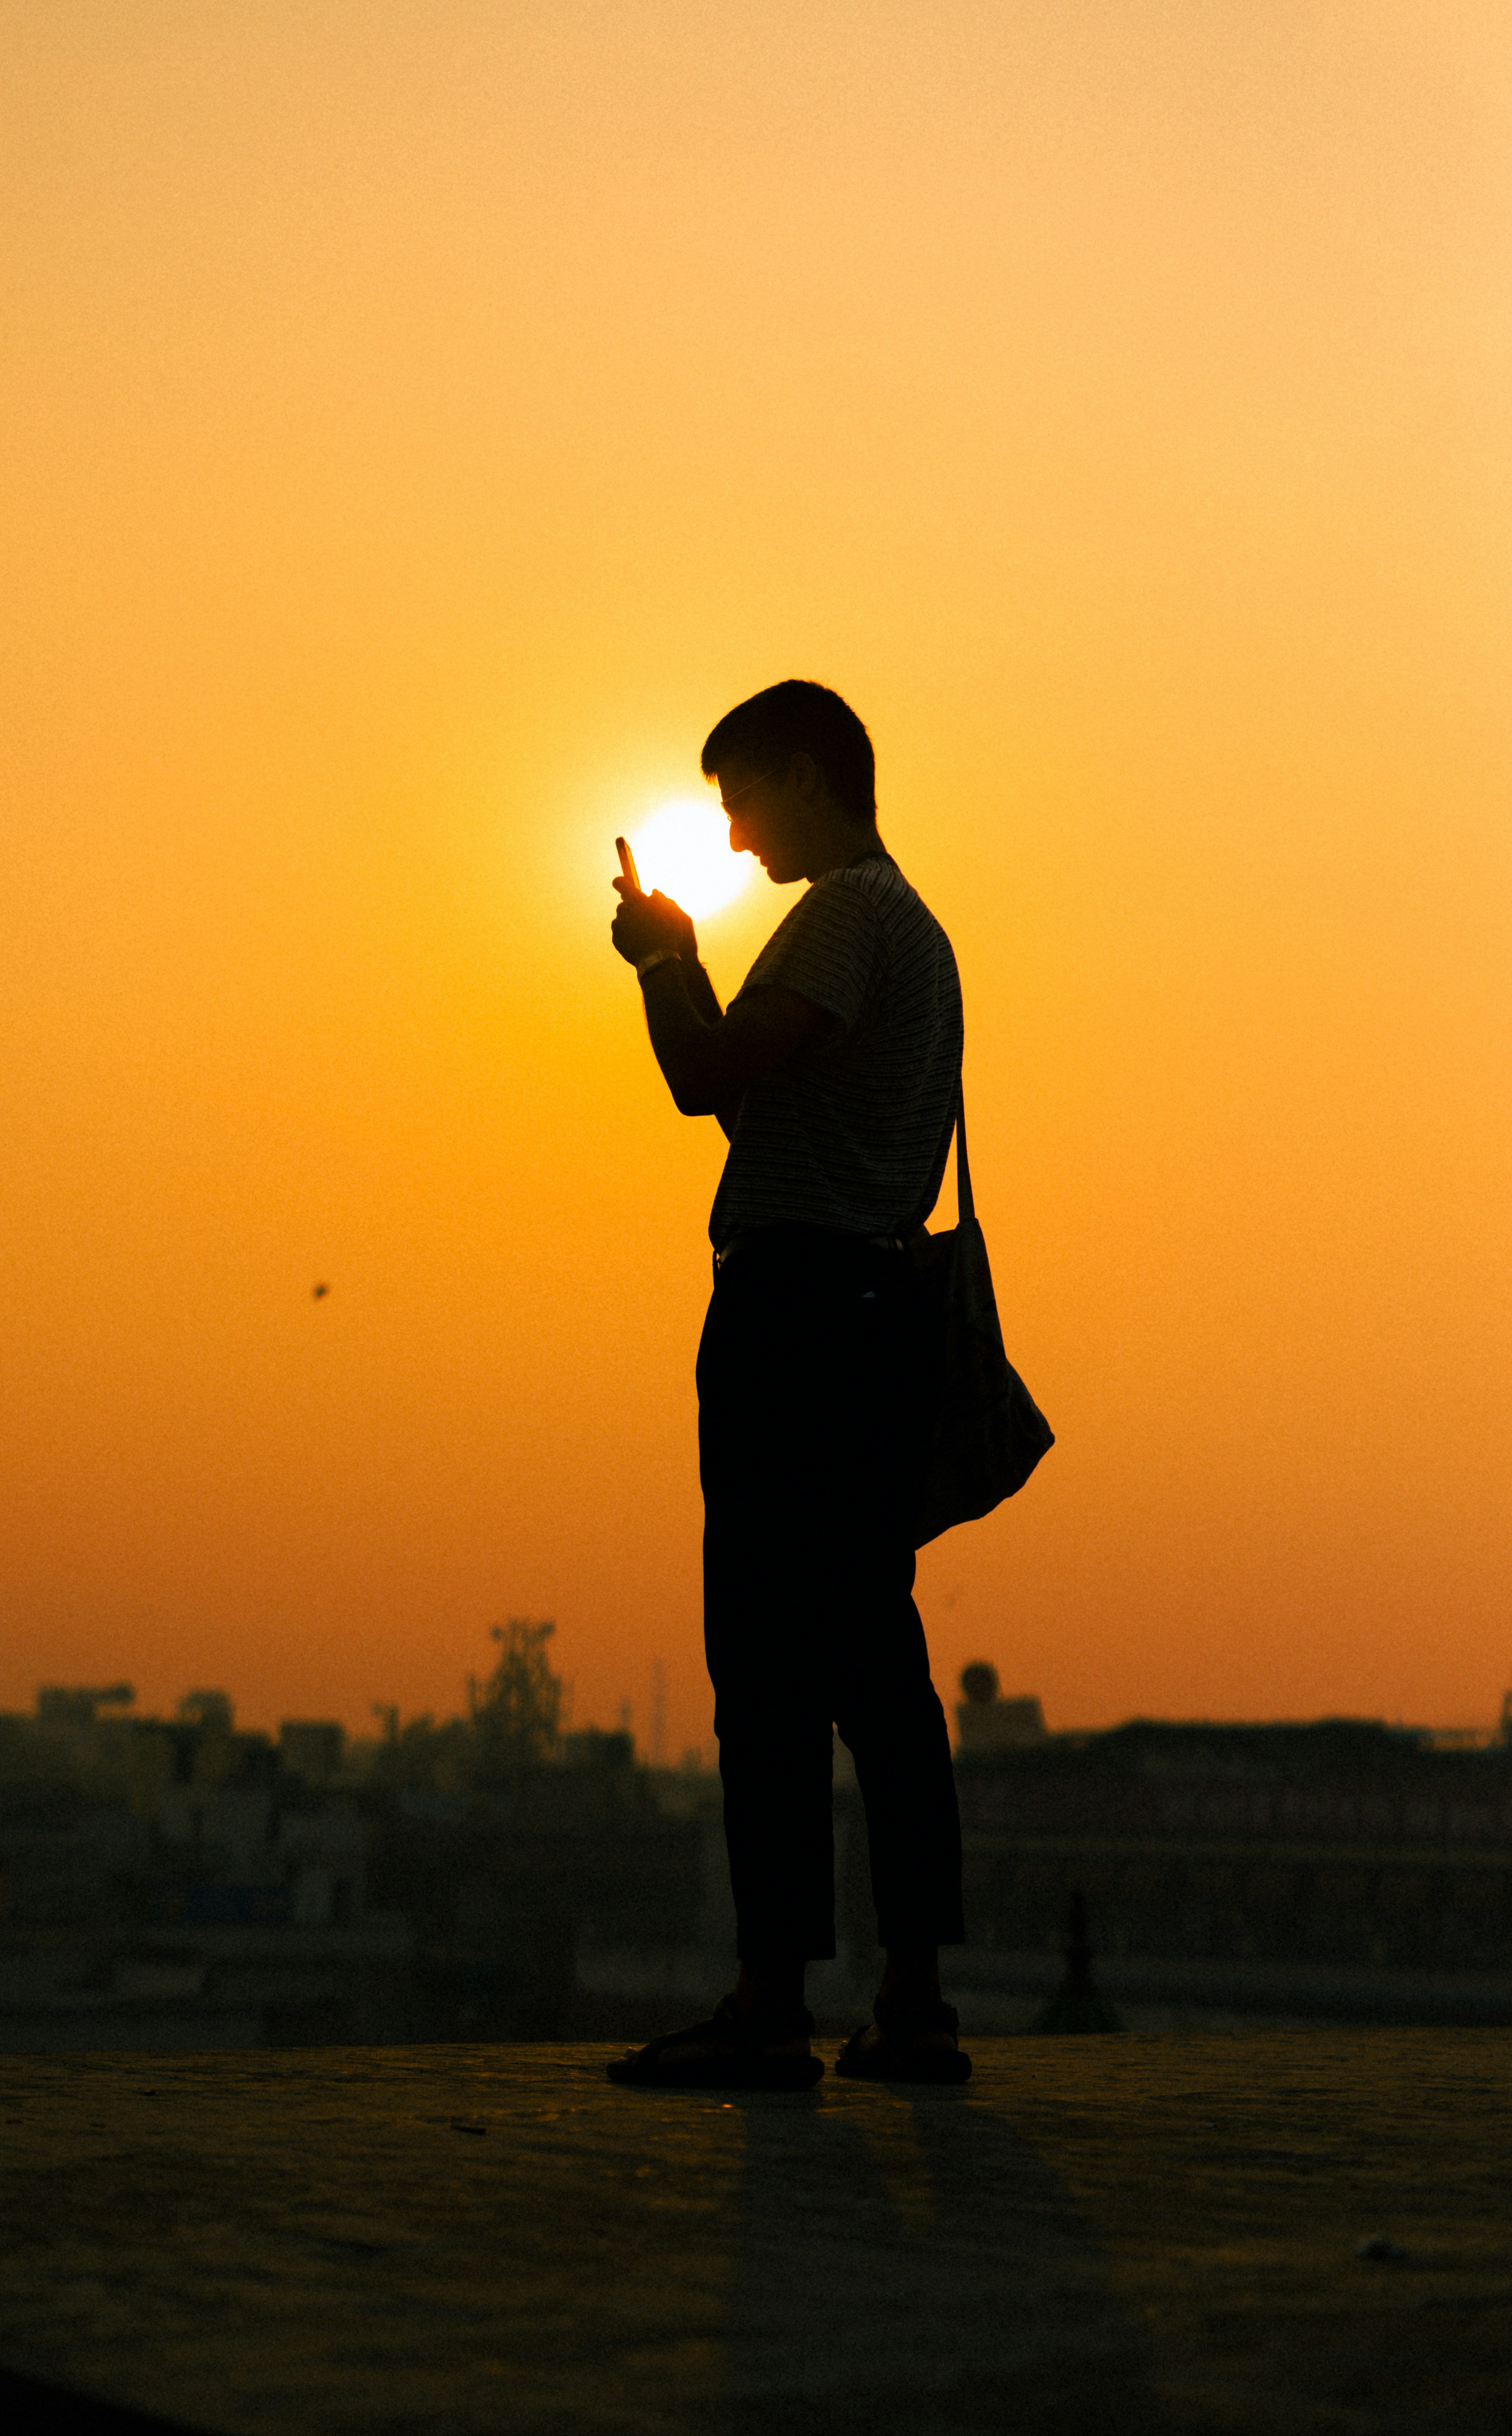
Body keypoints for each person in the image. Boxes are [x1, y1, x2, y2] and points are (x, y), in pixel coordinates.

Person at [606, 680, 971, 2089]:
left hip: (797, 1317)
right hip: (871, 1315)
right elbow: (762, 1099)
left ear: (810, 773)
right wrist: (684, 965)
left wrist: (664, 960)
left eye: (743, 793)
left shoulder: (847, 919)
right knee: (878, 1669)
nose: (735, 827)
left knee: (766, 1665)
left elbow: (705, 1082)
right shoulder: (915, 934)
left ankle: (771, 2001)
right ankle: (917, 1999)